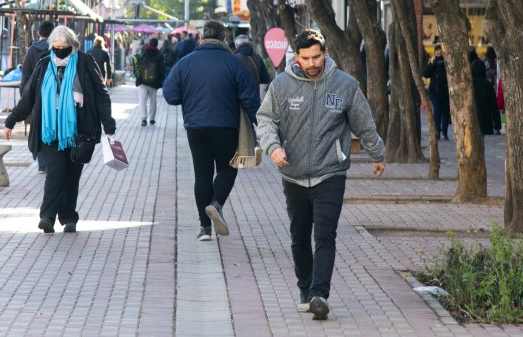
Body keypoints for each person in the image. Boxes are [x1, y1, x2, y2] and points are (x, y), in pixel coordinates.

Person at [257, 29, 386, 320]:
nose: (311, 62)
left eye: (316, 56)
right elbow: (265, 120)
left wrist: (378, 154)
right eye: (305, 58)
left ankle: (319, 295)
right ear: (296, 57)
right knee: (299, 235)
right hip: (294, 173)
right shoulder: (282, 86)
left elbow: (364, 124)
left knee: (325, 234)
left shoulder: (345, 85)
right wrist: (272, 146)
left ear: (325, 53)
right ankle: (305, 289)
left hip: (331, 172)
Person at [3, 26, 116, 233]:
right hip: (50, 130)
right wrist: (11, 120)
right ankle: (47, 217)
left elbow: (101, 94)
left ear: (73, 46)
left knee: (72, 175)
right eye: (56, 47)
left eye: (64, 47)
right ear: (51, 46)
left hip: (79, 131)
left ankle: (69, 218)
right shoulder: (44, 65)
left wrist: (108, 125)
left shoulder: (84, 62)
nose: (60, 51)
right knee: (55, 171)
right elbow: (28, 97)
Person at [163, 20, 260, 241]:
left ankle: (204, 228)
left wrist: (187, 97)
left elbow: (170, 95)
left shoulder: (185, 62)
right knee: (228, 169)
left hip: (195, 127)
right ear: (224, 39)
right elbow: (250, 100)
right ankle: (216, 203)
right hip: (226, 127)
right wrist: (264, 128)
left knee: (202, 174)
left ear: (201, 38)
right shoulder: (235, 64)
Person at [21, 20, 55, 172]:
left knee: (38, 127)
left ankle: (42, 163)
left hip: (36, 96)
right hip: (55, 97)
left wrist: (24, 98)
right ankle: (52, 161)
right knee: (53, 126)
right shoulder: (58, 48)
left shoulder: (32, 50)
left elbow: (26, 76)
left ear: (39, 33)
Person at [133, 37, 165, 126]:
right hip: (154, 82)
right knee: (153, 101)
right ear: (156, 45)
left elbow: (137, 66)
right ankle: (152, 119)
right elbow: (162, 70)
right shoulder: (159, 55)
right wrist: (160, 81)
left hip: (142, 81)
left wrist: (138, 77)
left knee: (142, 100)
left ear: (149, 44)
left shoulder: (142, 53)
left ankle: (143, 119)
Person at [422, 44, 451, 140]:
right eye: (437, 54)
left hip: (446, 92)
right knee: (437, 113)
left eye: (441, 54)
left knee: (446, 113)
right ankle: (437, 133)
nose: (439, 56)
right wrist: (432, 63)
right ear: (434, 54)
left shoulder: (447, 63)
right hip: (435, 93)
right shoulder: (432, 63)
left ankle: (444, 132)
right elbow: (425, 74)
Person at [233, 34, 270, 99]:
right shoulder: (258, 58)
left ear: (236, 45)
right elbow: (265, 79)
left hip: (240, 97)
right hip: (256, 97)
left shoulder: (234, 59)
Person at [471, 59, 500, 137]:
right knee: (481, 140)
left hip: (470, 118)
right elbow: (494, 106)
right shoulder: (488, 85)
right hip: (484, 118)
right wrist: (497, 125)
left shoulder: (468, 86)